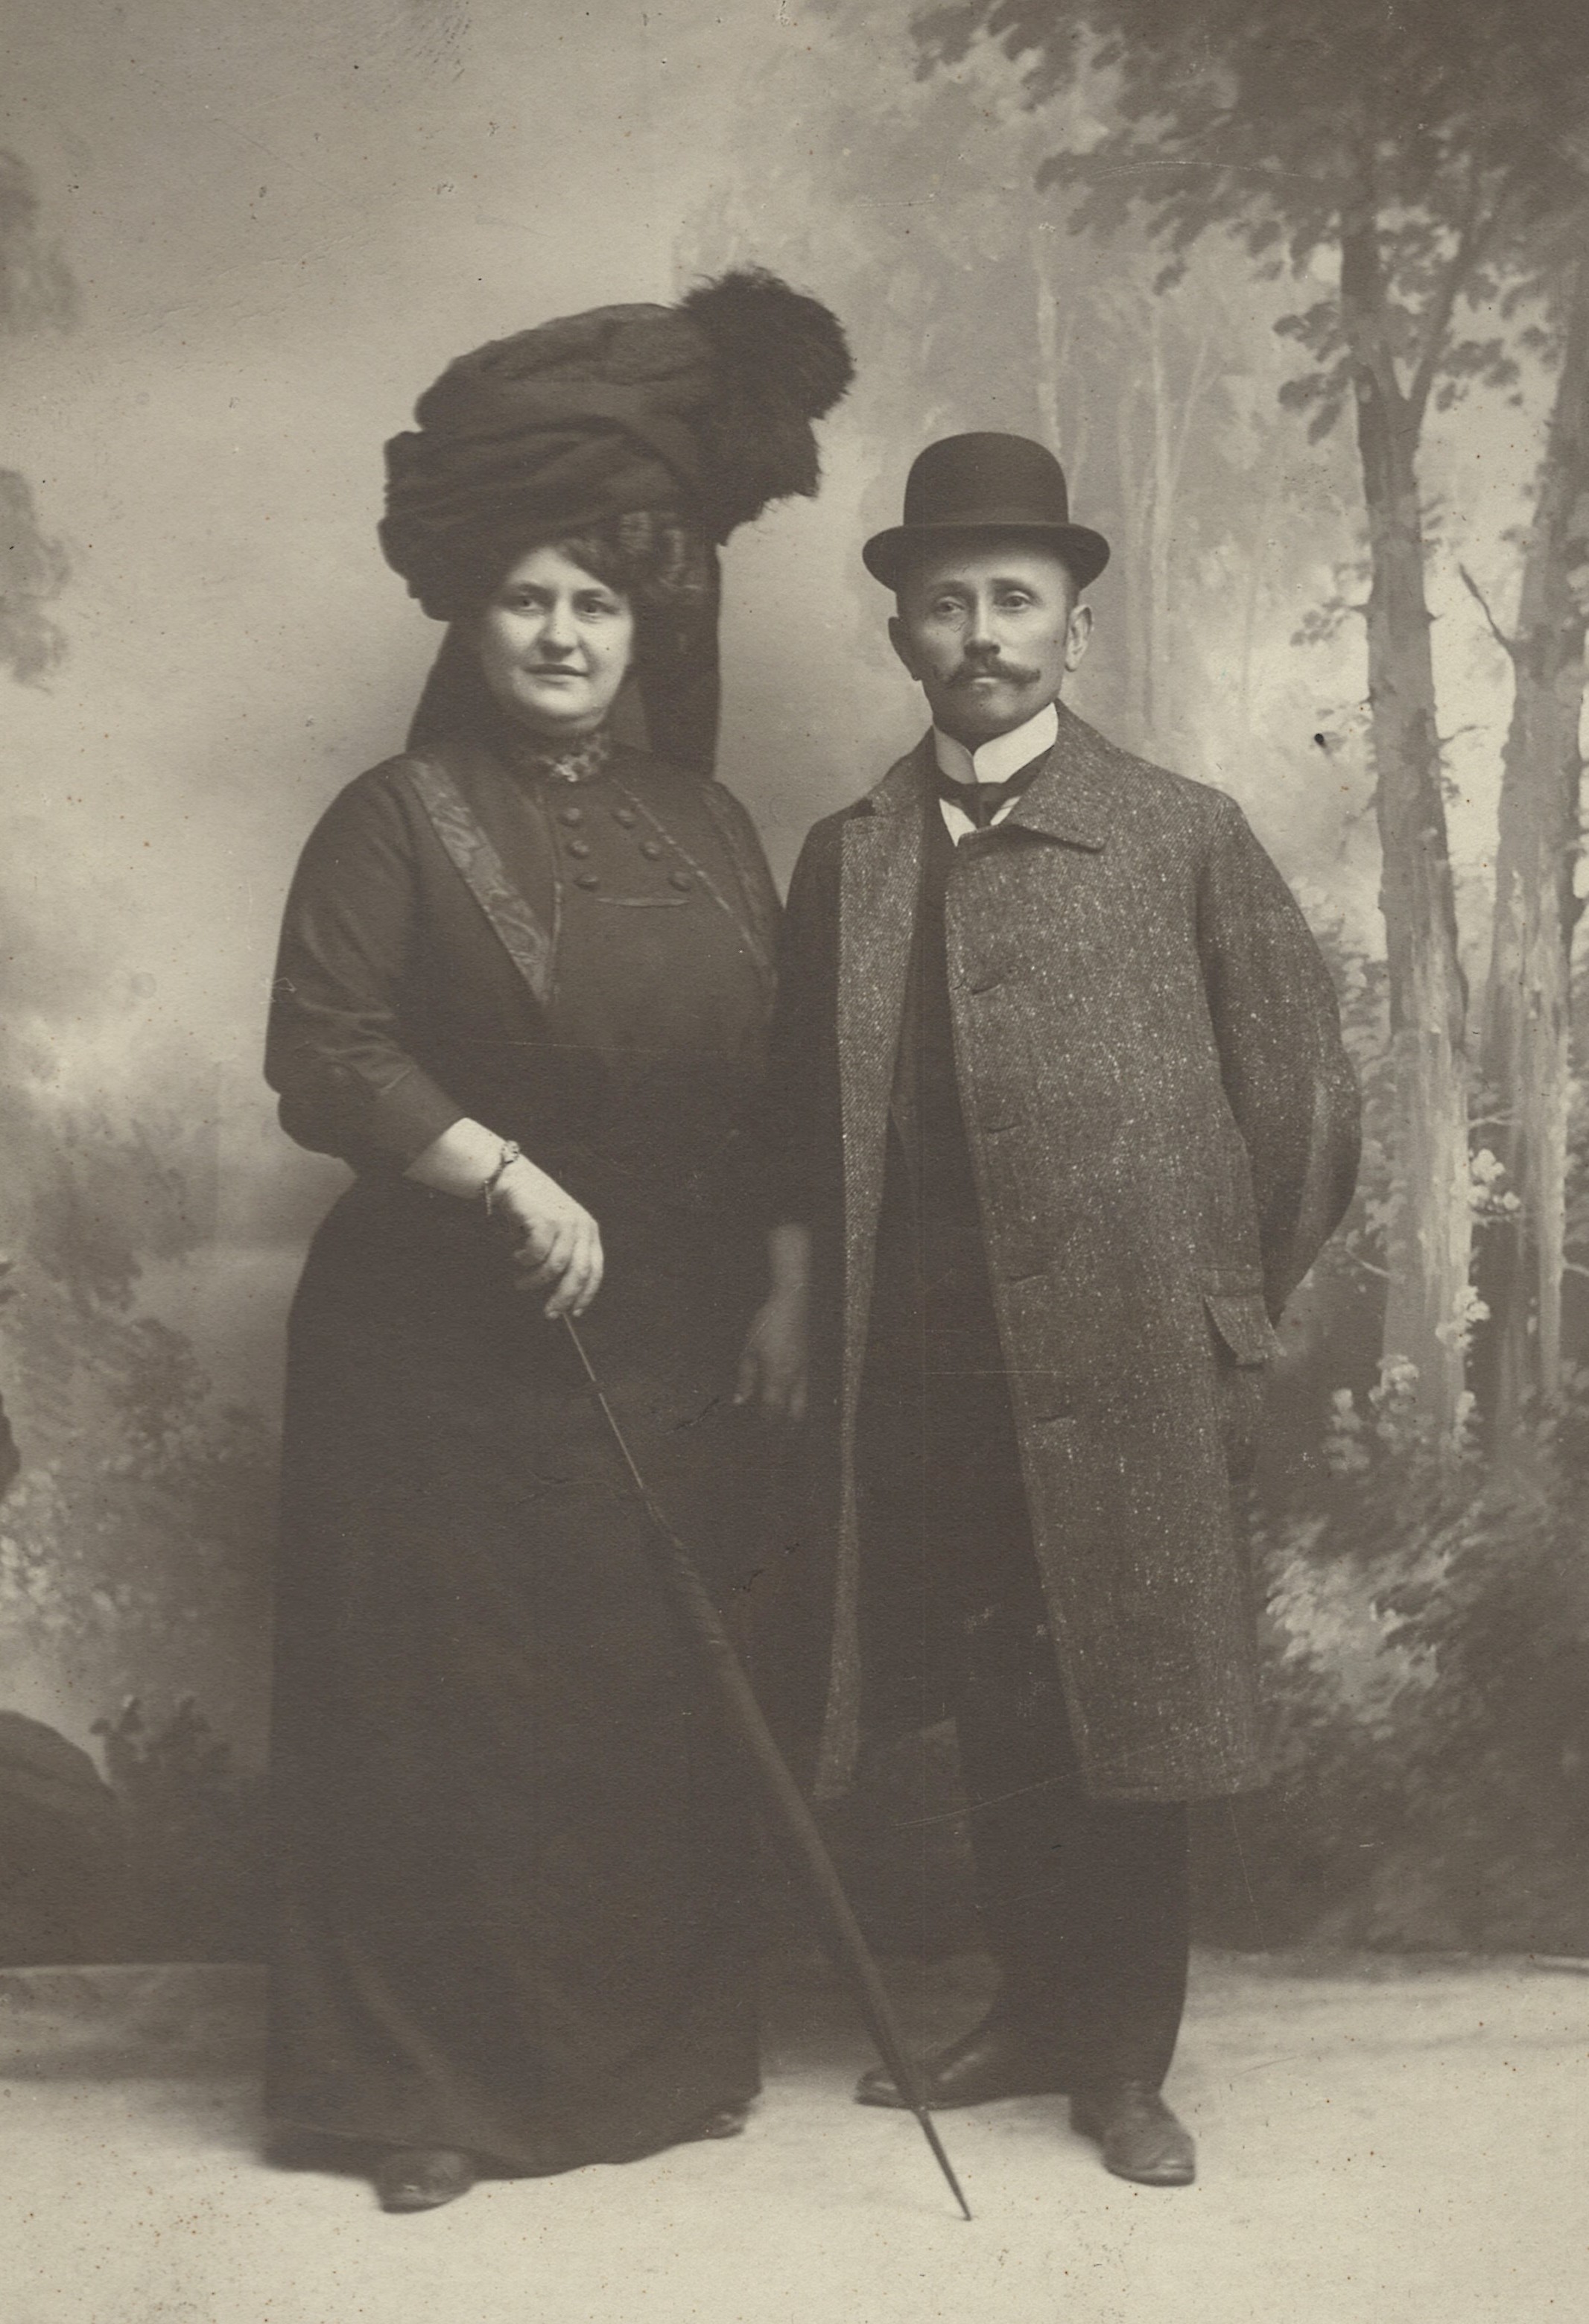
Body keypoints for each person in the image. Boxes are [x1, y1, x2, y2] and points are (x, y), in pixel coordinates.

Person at [264, 273, 851, 2212]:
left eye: (594, 604)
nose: (561, 635)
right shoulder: (393, 817)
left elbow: (780, 1088)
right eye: (527, 600)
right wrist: (503, 1174)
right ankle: (422, 2093)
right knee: (449, 1715)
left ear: (641, 623)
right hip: (437, 1353)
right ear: (471, 615)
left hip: (664, 1342)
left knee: (635, 1699)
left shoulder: (712, 825)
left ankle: (645, 2064)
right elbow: (324, 1051)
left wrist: (782, 1286)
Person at [746, 432, 1360, 2187]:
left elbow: (1305, 1106)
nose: (980, 637)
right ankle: (1027, 2008)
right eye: (944, 606)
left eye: (1012, 601)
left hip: (1131, 1360)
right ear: (900, 637)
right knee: (994, 1690)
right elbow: (796, 1107)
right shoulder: (851, 853)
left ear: (1073, 626)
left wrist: (1212, 1301)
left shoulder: (1181, 834)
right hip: (926, 1363)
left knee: (1130, 1702)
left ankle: (1122, 2065)